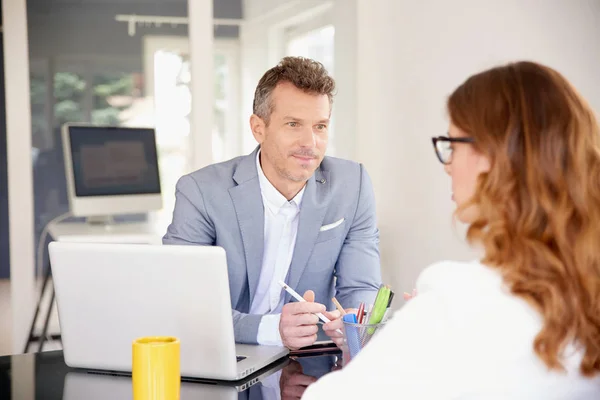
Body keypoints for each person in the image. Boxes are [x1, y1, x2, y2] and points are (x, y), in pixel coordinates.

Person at [302, 61, 600, 399]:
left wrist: (423, 322)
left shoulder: (459, 299)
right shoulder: (586, 290)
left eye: (453, 145)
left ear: (490, 156)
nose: (447, 165)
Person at [163, 56, 381, 350]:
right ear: (258, 128)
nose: (310, 142)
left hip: (309, 359)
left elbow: (361, 287)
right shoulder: (200, 192)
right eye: (293, 124)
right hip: (225, 353)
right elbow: (182, 301)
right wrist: (270, 329)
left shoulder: (352, 184)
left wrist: (355, 322)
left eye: (320, 126)